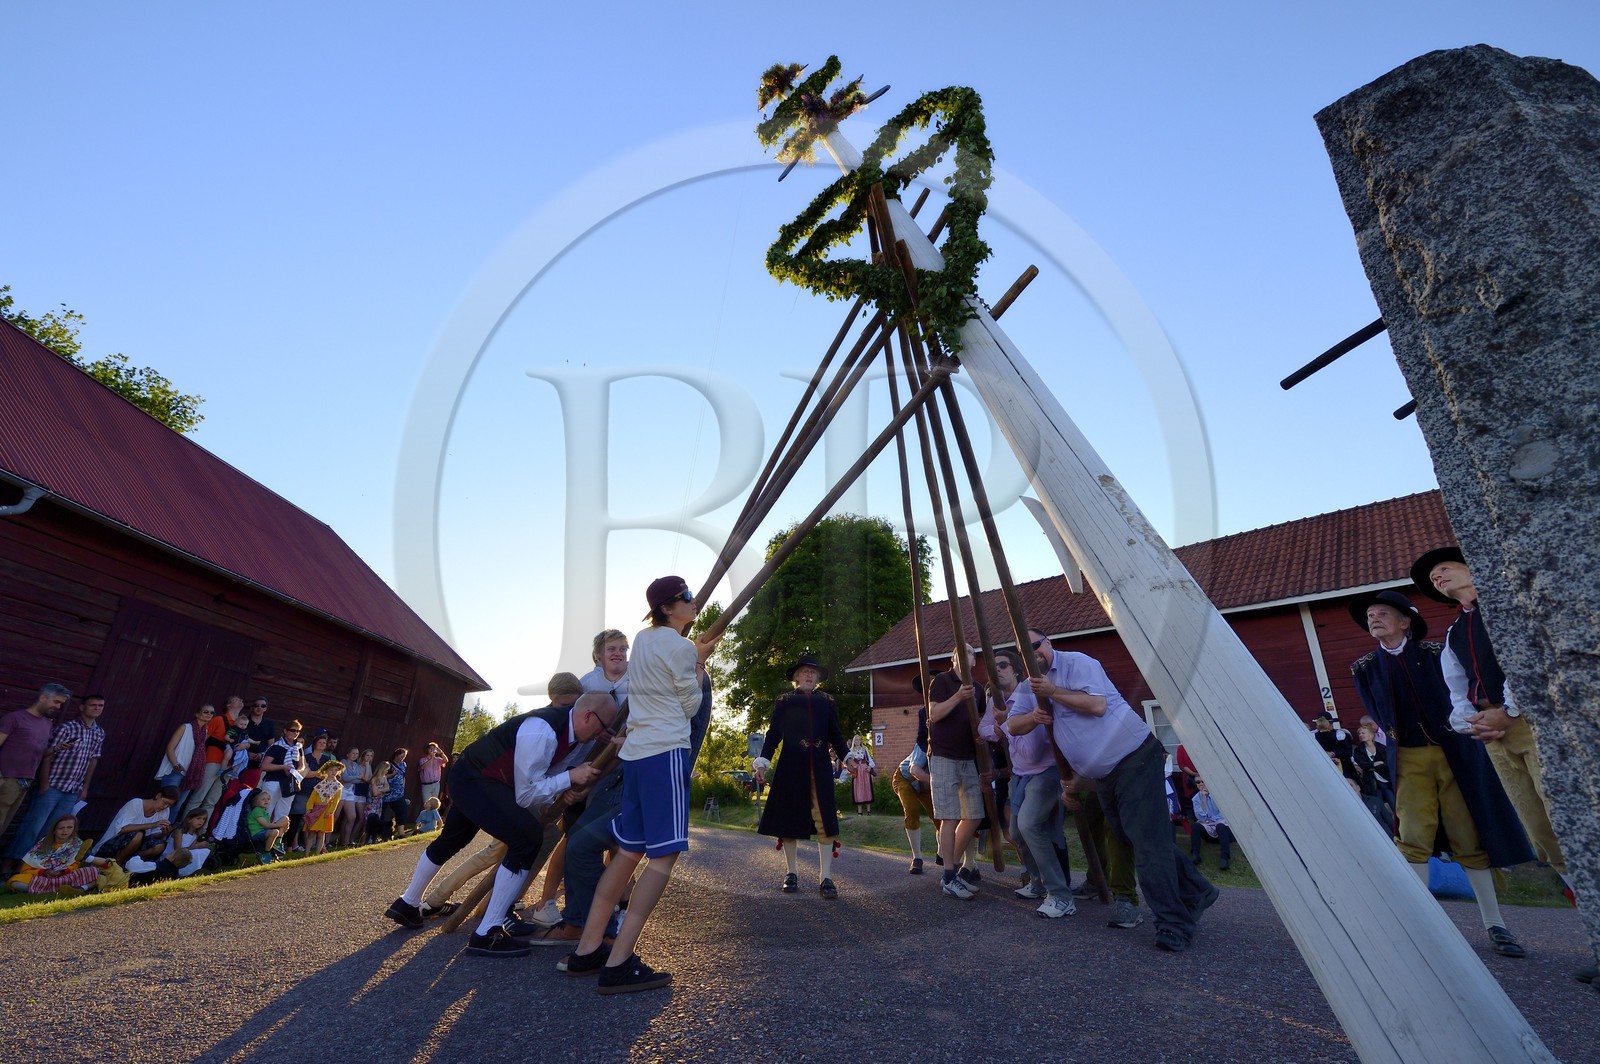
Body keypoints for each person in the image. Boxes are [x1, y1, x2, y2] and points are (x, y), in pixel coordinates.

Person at [1348, 588, 1532, 958]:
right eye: (1371, 615)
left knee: (1469, 837)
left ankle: (1496, 925)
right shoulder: (1364, 668)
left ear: (1405, 622)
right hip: (1409, 759)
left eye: (1383, 613)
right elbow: (1381, 716)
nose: (1374, 618)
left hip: (1454, 755)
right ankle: (1425, 928)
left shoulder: (1435, 654)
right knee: (1413, 835)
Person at [559, 575, 718, 993]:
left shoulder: (645, 640)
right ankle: (619, 959)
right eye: (686, 597)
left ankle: (588, 949)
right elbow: (690, 705)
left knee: (629, 853)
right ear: (669, 607)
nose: (692, 600)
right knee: (663, 859)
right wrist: (699, 663)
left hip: (638, 754)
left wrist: (692, 655)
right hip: (666, 752)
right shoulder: (681, 647)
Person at [384, 690, 619, 958]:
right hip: (477, 778)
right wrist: (569, 777)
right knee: (527, 838)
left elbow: (548, 774)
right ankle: (488, 931)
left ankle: (407, 903)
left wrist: (567, 783)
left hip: (476, 777)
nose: (604, 734)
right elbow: (527, 793)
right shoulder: (543, 731)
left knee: (454, 839)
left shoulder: (571, 735)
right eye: (604, 726)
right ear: (588, 715)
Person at [1023, 627, 1216, 952]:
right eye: (1024, 651)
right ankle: (1197, 890)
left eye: (1036, 645)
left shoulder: (1076, 665)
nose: (1033, 654)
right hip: (1105, 777)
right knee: (1133, 836)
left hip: (1135, 758)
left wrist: (1053, 690)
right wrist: (1072, 782)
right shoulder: (1036, 688)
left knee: (1147, 843)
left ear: (1048, 643)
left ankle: (1174, 924)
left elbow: (1097, 706)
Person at [752, 654, 849, 899]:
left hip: (820, 768)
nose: (809, 675)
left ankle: (825, 877)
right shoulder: (784, 701)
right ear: (796, 677)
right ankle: (791, 873)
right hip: (790, 767)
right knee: (790, 820)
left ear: (817, 678)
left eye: (813, 672)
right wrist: (762, 762)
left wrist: (849, 759)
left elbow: (836, 735)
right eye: (804, 671)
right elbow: (773, 734)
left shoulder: (827, 701)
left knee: (825, 820)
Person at [995, 647, 1074, 919]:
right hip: (1020, 775)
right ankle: (1039, 883)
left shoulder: (1028, 693)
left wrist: (1006, 726)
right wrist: (1005, 725)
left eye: (1003, 664)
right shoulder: (998, 702)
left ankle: (1062, 895)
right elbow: (984, 730)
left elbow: (1030, 750)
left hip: (1044, 772)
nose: (998, 670)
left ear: (1016, 669)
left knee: (1031, 825)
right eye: (994, 666)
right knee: (1016, 832)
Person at [5, 692, 107, 872]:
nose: (97, 709)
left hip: (73, 789)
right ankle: (9, 866)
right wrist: (44, 783)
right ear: (82, 707)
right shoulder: (67, 728)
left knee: (52, 831)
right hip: (53, 784)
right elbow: (46, 755)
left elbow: (93, 760)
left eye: (100, 706)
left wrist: (85, 787)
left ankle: (33, 868)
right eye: (93, 705)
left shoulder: (99, 732)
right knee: (32, 826)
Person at [926, 645, 987, 899]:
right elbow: (934, 713)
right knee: (949, 816)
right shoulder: (942, 681)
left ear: (974, 661)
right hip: (943, 755)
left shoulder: (980, 689)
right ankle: (949, 876)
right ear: (953, 659)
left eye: (970, 652)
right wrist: (958, 697)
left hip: (967, 757)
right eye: (959, 652)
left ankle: (950, 864)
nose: (965, 655)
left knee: (974, 815)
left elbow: (982, 722)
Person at [0, 683, 71, 868]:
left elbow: (39, 752)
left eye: (61, 704)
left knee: (3, 826)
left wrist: (55, 749)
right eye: (56, 702)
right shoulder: (15, 718)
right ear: (42, 698)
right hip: (6, 779)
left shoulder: (47, 724)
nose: (58, 707)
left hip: (25, 782)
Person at [9, 815, 106, 893]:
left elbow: (75, 865)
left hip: (65, 877)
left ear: (74, 829)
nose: (65, 831)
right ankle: (60, 888)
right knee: (16, 881)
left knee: (94, 871)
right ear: (54, 830)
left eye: (69, 827)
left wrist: (62, 872)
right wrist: (44, 872)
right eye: (61, 828)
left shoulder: (77, 844)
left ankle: (46, 888)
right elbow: (26, 869)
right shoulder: (43, 844)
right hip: (43, 877)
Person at [184, 696, 244, 820]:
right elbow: (202, 739)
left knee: (211, 801)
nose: (241, 701)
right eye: (236, 699)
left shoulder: (242, 724)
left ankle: (200, 832)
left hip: (229, 767)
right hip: (212, 761)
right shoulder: (218, 720)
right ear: (228, 705)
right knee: (197, 798)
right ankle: (184, 827)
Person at [95, 787, 178, 866]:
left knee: (160, 846)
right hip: (112, 843)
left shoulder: (165, 811)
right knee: (138, 835)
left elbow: (152, 836)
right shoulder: (136, 803)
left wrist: (163, 834)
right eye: (165, 803)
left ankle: (127, 863)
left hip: (136, 847)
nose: (165, 807)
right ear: (158, 796)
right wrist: (151, 825)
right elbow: (121, 829)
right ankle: (116, 865)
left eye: (169, 805)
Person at [891, 740, 936, 874]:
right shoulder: (925, 743)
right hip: (905, 778)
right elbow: (914, 770)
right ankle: (917, 858)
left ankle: (942, 853)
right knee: (912, 812)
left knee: (940, 817)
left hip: (926, 786)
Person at [257, 720, 305, 822]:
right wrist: (283, 767)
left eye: (298, 731)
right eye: (293, 730)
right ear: (285, 731)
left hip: (289, 783)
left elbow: (302, 765)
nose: (295, 733)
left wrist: (296, 772)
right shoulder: (276, 746)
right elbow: (264, 766)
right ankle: (261, 836)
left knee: (283, 813)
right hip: (274, 781)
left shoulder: (298, 747)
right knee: (267, 811)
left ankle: (277, 836)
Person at [1350, 723, 1394, 830]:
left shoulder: (1381, 747)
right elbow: (1362, 764)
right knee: (1377, 800)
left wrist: (1372, 766)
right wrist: (1374, 764)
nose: (1361, 735)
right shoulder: (1358, 750)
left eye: (1363, 733)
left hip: (1384, 778)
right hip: (1370, 780)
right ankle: (1383, 824)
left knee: (1391, 797)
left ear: (1371, 735)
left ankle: (1396, 821)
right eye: (1359, 733)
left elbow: (1387, 762)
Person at [1187, 777, 1232, 870]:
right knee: (1195, 826)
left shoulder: (1219, 795)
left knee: (1220, 826)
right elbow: (1200, 817)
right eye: (1198, 782)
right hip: (1209, 829)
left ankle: (1224, 858)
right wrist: (1203, 800)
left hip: (1223, 830)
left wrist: (1211, 820)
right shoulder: (1196, 799)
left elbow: (1224, 815)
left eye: (1203, 781)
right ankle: (1195, 855)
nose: (1201, 784)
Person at [304, 759, 344, 855]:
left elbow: (335, 801)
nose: (333, 772)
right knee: (311, 833)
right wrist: (309, 808)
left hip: (326, 810)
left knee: (321, 834)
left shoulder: (338, 786)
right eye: (331, 770)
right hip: (316, 810)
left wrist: (329, 812)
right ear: (326, 771)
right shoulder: (320, 785)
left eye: (335, 770)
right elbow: (312, 798)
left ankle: (317, 854)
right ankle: (306, 853)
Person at [583, 628, 631, 707]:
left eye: (622, 649)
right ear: (598, 654)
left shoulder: (640, 679)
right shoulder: (589, 686)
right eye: (611, 649)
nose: (618, 653)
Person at [244, 787, 289, 861]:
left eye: (268, 799)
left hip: (265, 831)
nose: (266, 801)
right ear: (257, 802)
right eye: (263, 799)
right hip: (257, 833)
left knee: (285, 819)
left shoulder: (264, 811)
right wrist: (280, 825)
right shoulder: (256, 811)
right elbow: (266, 825)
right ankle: (266, 853)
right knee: (275, 831)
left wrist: (283, 824)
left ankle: (277, 842)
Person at [240, 698, 276, 786]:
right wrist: (246, 753)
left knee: (251, 789)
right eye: (256, 705)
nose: (259, 708)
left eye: (262, 706)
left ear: (265, 708)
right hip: (240, 759)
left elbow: (271, 744)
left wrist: (262, 755)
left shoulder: (269, 724)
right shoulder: (243, 721)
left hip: (259, 763)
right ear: (252, 707)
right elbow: (237, 738)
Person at [336, 745, 366, 847]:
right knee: (336, 815)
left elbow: (361, 780)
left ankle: (346, 841)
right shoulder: (343, 762)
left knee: (352, 816)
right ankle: (326, 841)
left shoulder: (356, 765)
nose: (354, 755)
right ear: (348, 754)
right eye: (353, 753)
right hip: (341, 790)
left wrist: (354, 778)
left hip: (350, 791)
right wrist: (357, 777)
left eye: (357, 754)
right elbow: (345, 778)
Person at [844, 736, 876, 815]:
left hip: (865, 771)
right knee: (858, 789)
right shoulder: (851, 751)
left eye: (859, 739)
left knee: (867, 789)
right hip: (857, 772)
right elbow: (846, 763)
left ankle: (868, 811)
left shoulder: (865, 749)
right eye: (856, 740)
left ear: (861, 741)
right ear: (854, 741)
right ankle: (860, 811)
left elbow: (870, 760)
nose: (858, 741)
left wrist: (869, 766)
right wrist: (852, 767)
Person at [417, 742, 448, 808]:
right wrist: (431, 758)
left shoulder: (438, 760)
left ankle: (433, 818)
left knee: (434, 805)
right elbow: (422, 767)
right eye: (430, 748)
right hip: (426, 785)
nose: (432, 750)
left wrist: (441, 753)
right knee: (427, 804)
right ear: (427, 750)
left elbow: (446, 760)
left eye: (433, 748)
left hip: (436, 784)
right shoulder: (423, 760)